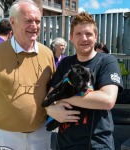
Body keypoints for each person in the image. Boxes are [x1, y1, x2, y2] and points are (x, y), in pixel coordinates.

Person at [0, 0, 55, 150]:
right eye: (28, 20)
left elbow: (53, 90)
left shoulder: (47, 53)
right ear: (13, 22)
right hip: (5, 137)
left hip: (41, 134)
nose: (34, 26)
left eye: (37, 21)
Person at [46, 12, 123, 150]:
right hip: (64, 143)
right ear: (71, 37)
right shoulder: (65, 63)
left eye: (88, 34)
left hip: (97, 144)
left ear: (96, 36)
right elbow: (50, 96)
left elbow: (107, 100)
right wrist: (50, 108)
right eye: (78, 34)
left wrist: (63, 97)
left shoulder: (106, 61)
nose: (84, 38)